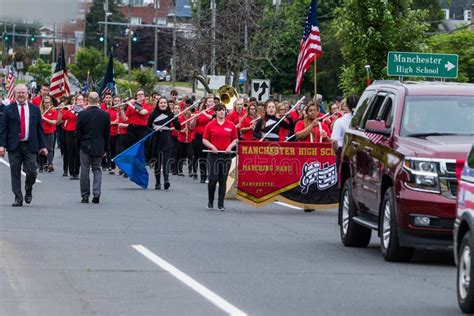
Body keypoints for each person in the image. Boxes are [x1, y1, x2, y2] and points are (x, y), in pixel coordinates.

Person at [0, 84, 48, 207]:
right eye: (19, 93)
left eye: (23, 92)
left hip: (30, 145)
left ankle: (28, 188)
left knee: (32, 171)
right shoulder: (8, 109)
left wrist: (43, 146)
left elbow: (39, 129)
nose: (21, 95)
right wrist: (2, 145)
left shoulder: (35, 109)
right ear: (15, 94)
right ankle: (18, 197)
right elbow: (3, 128)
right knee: (15, 172)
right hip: (14, 146)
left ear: (27, 94)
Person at [75, 92, 110, 204]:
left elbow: (77, 133)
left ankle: (85, 196)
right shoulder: (105, 115)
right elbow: (107, 134)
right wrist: (106, 149)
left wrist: (78, 145)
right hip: (99, 145)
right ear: (99, 100)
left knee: (84, 170)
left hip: (85, 145)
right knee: (97, 169)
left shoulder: (82, 114)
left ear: (87, 100)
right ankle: (96, 194)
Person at [202, 103, 238, 211]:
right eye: (219, 110)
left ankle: (221, 203)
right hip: (213, 155)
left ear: (226, 112)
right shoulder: (210, 125)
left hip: (226, 155)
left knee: (223, 180)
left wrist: (230, 146)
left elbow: (235, 139)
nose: (221, 112)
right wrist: (212, 146)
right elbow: (204, 139)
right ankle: (210, 201)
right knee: (213, 179)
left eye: (223, 110)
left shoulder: (231, 125)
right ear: (216, 112)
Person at [147, 97, 181, 190]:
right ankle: (158, 183)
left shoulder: (170, 114)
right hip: (156, 139)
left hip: (167, 139)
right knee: (157, 161)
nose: (163, 104)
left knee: (166, 161)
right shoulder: (153, 114)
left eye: (164, 103)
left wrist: (176, 119)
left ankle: (166, 180)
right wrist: (155, 129)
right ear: (158, 104)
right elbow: (148, 127)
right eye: (161, 103)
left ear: (167, 104)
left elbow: (178, 128)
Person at [331, 95, 359, 170]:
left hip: (343, 154)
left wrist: (337, 153)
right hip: (360, 155)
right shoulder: (363, 120)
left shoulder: (340, 121)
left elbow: (334, 141)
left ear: (346, 105)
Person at [192, 96, 215, 183]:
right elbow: (192, 126)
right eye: (209, 101)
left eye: (212, 101)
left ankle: (210, 176)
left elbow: (213, 118)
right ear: (206, 103)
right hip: (199, 137)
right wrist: (194, 118)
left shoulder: (215, 112)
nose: (211, 103)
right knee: (202, 157)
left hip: (211, 138)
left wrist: (204, 113)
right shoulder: (199, 113)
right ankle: (203, 176)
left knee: (210, 157)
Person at [62, 94, 85, 179]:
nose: (80, 101)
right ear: (75, 101)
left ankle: (77, 172)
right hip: (70, 132)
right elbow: (64, 117)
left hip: (80, 133)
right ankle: (71, 172)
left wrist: (75, 113)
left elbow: (80, 118)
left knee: (78, 152)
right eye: (78, 100)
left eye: (81, 100)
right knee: (70, 152)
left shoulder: (85, 110)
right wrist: (69, 110)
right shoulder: (72, 109)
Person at [39, 96, 58, 172]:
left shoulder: (53, 111)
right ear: (43, 103)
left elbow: (54, 122)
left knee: (49, 149)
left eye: (48, 102)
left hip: (50, 132)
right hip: (41, 133)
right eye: (45, 102)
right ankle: (41, 166)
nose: (47, 104)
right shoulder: (40, 111)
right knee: (41, 150)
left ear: (51, 103)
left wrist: (44, 118)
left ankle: (49, 164)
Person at [177, 105, 195, 177]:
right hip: (181, 139)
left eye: (188, 110)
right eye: (186, 110)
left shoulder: (191, 118)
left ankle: (190, 171)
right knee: (181, 155)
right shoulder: (180, 118)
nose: (187, 112)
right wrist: (181, 131)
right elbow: (177, 128)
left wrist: (194, 120)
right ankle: (180, 170)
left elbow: (192, 128)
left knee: (190, 155)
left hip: (189, 140)